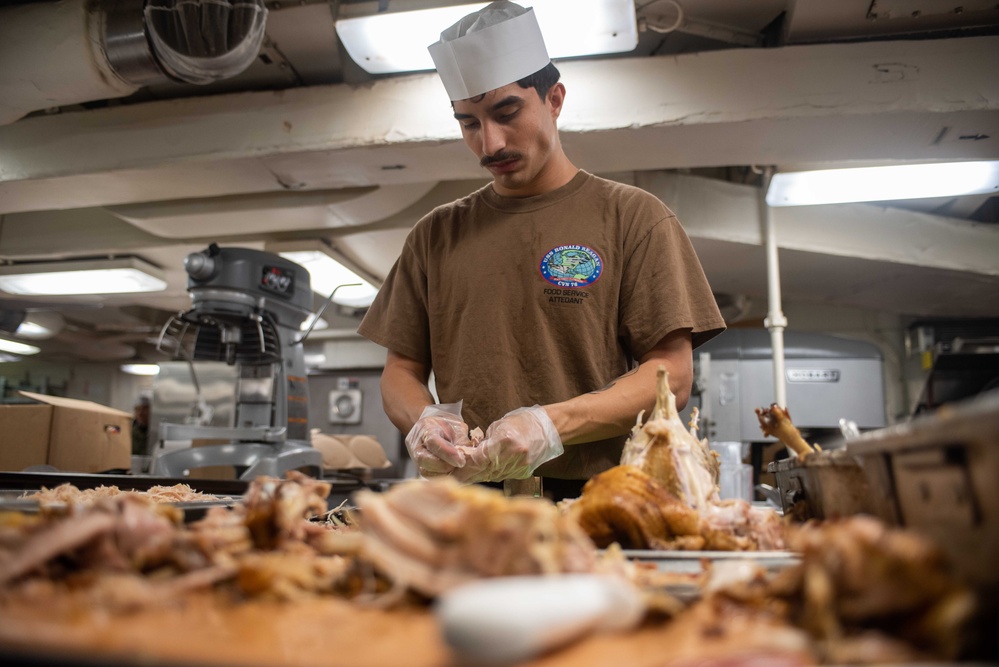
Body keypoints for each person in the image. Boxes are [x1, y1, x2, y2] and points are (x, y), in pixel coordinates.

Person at [357, 0, 726, 500]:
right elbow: (400, 372)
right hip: (469, 501)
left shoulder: (633, 217)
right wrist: (423, 420)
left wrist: (551, 425)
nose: (490, 144)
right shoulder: (435, 235)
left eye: (507, 113)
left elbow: (672, 376)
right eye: (468, 123)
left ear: (554, 98)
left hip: (601, 499)